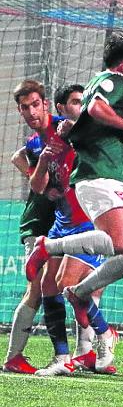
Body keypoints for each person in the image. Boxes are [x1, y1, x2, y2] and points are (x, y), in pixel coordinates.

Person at [24, 34, 123, 331]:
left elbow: (121, 133)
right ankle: (48, 246)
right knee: (120, 243)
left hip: (113, 177)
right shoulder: (113, 80)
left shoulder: (114, 87)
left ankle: (80, 292)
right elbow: (95, 108)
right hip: (98, 176)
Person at [30, 84, 118, 376]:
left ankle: (106, 334)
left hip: (89, 223)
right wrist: (43, 159)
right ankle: (62, 359)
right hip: (61, 224)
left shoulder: (90, 134)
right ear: (61, 108)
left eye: (84, 103)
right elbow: (38, 186)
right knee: (48, 287)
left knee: (69, 284)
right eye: (76, 102)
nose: (82, 107)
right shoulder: (51, 137)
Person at [3, 80, 56, 374]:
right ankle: (13, 357)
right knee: (36, 289)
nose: (31, 111)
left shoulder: (62, 129)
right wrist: (35, 176)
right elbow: (17, 156)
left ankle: (86, 352)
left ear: (45, 104)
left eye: (35, 104)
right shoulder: (37, 141)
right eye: (25, 107)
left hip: (65, 226)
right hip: (38, 225)